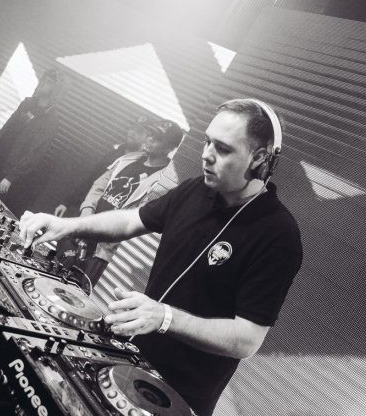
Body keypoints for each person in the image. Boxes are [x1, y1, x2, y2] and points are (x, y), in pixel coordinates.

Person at [19, 98, 303, 416]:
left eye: (223, 149)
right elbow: (130, 220)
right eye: (207, 141)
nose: (207, 154)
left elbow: (247, 339)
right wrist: (66, 225)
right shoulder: (195, 190)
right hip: (128, 364)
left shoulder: (278, 234)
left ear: (260, 158)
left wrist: (165, 318)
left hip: (177, 396)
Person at [57, 119, 183, 288]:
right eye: (151, 133)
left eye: (158, 138)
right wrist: (86, 216)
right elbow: (98, 186)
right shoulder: (127, 160)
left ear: (171, 148)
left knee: (78, 291)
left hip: (101, 250)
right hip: (83, 232)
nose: (151, 139)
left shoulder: (162, 182)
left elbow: (135, 219)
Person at [0, 68, 67, 217]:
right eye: (44, 79)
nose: (43, 83)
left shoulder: (51, 121)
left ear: (56, 90)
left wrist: (11, 177)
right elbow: (6, 128)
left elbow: (35, 153)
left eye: (49, 82)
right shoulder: (27, 103)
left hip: (8, 172)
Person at [53, 117, 149, 218]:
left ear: (147, 138)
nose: (132, 133)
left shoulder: (142, 162)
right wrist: (67, 203)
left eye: (139, 131)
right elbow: (91, 178)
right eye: (132, 128)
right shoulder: (116, 152)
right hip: (85, 206)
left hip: (105, 215)